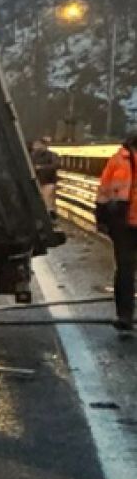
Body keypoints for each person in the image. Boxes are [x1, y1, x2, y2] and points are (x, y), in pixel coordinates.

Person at [97, 132, 137, 338]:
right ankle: (125, 316)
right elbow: (104, 189)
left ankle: (126, 316)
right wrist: (101, 218)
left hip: (123, 221)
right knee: (125, 269)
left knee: (126, 268)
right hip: (122, 222)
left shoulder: (118, 159)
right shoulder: (118, 160)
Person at [30, 137, 59, 219]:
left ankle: (50, 217)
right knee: (44, 200)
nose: (35, 147)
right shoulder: (33, 155)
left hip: (48, 182)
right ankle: (47, 216)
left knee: (47, 200)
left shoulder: (52, 155)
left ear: (43, 145)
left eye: (37, 145)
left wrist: (41, 167)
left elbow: (56, 165)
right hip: (38, 181)